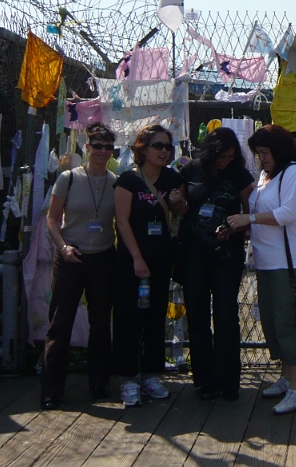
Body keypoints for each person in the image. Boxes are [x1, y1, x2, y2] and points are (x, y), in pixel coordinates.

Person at [226, 124, 296, 414]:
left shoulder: (294, 173)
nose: (261, 158)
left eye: (265, 152)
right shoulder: (267, 175)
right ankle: (286, 378)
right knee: (273, 321)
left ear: (279, 150)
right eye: (258, 153)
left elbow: (287, 213)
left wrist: (247, 219)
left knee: (288, 322)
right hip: (267, 261)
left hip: (291, 263)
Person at [40, 123, 118, 410]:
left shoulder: (114, 181)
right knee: (60, 324)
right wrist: (63, 246)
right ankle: (51, 390)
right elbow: (51, 219)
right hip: (70, 256)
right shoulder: (68, 179)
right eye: (97, 145)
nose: (102, 151)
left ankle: (99, 382)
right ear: (87, 147)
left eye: (108, 147)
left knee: (100, 323)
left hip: (103, 257)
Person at [112, 124, 187, 408]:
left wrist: (179, 204)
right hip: (132, 261)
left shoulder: (172, 178)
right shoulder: (127, 180)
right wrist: (136, 258)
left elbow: (181, 216)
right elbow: (122, 221)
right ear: (142, 149)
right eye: (158, 146)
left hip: (161, 259)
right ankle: (129, 378)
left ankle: (152, 374)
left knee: (156, 317)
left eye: (168, 146)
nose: (164, 151)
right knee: (129, 319)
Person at [178, 127, 255, 401]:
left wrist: (234, 229)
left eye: (231, 157)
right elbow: (183, 209)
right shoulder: (191, 171)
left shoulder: (240, 175)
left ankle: (228, 381)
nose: (225, 161)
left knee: (225, 314)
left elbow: (250, 216)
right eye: (221, 157)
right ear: (210, 153)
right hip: (194, 251)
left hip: (226, 253)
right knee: (197, 315)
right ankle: (204, 380)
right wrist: (177, 202)